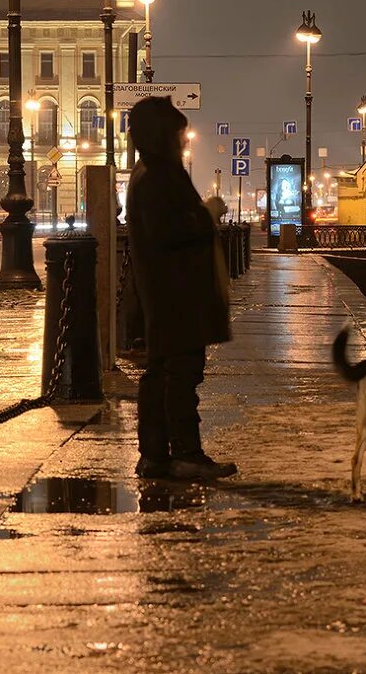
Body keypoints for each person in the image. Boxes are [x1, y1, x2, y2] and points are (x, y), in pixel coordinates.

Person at [125, 96, 237, 481]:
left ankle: (155, 454)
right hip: (177, 294)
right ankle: (185, 453)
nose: (182, 141)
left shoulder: (150, 171)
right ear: (161, 136)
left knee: (163, 373)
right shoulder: (159, 175)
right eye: (177, 133)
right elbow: (168, 232)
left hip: (166, 293)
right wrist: (207, 214)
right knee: (181, 376)